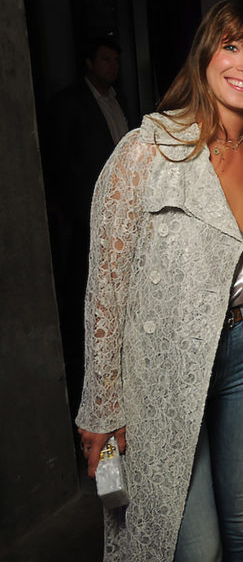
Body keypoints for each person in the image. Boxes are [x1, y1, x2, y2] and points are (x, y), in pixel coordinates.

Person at [75, 0, 243, 561]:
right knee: (194, 543)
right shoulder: (145, 150)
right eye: (232, 46)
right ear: (204, 55)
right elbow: (106, 288)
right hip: (165, 365)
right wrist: (102, 408)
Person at [43, 36, 131, 414]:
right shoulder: (70, 104)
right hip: (84, 220)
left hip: (118, 216)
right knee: (87, 304)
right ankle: (92, 396)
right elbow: (58, 162)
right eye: (106, 60)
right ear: (89, 63)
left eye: (116, 60)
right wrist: (68, 211)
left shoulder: (116, 100)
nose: (112, 66)